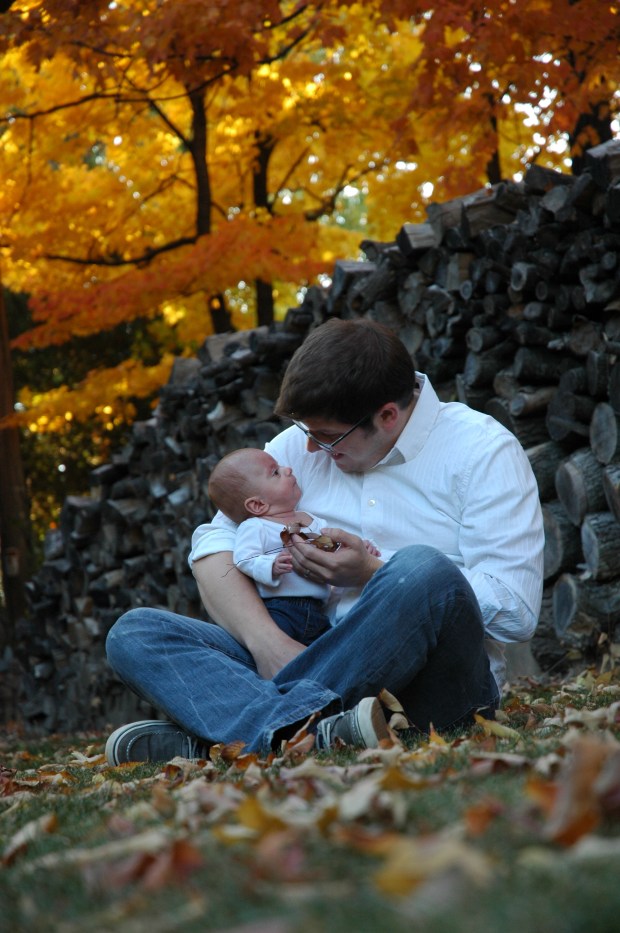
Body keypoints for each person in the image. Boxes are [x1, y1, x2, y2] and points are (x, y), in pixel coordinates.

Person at [105, 318, 544, 764]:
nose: (312, 449)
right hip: (301, 646)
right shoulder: (299, 445)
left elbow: (517, 610)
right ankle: (322, 730)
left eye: (328, 437)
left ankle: (243, 734)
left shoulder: (482, 450)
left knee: (422, 571)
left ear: (387, 416)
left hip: (432, 689)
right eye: (307, 432)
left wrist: (373, 572)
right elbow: (212, 546)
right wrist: (269, 645)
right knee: (136, 632)